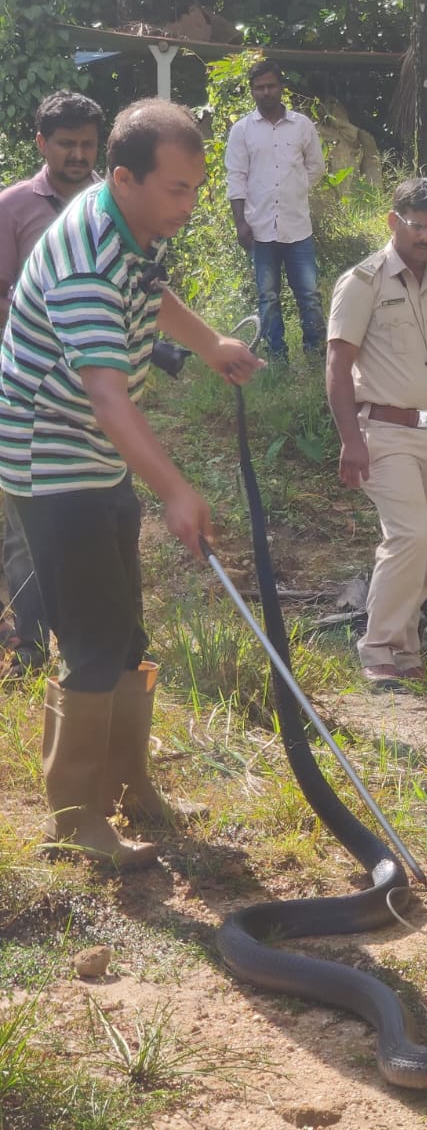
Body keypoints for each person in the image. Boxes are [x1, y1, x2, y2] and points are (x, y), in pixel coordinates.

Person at [0, 98, 263, 869]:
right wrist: (177, 491)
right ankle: (75, 818)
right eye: (177, 189)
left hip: (93, 452)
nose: (190, 204)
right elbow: (108, 398)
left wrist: (209, 343)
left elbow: (149, 292)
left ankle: (128, 785)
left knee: (126, 630)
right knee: (90, 637)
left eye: (196, 187)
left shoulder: (126, 224)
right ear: (125, 178)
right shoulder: (85, 256)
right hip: (49, 457)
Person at [325, 177, 427, 684]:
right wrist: (350, 439)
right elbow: (337, 363)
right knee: (409, 535)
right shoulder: (364, 282)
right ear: (393, 221)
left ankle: (405, 647)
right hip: (384, 432)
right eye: (418, 225)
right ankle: (377, 646)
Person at [0, 90, 104, 673]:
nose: (78, 155)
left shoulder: (110, 205)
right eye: (67, 143)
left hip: (97, 395)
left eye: (88, 144)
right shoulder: (14, 207)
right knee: (26, 521)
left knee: (91, 513)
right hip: (26, 391)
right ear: (42, 143)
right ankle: (32, 645)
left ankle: (92, 643)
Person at [225, 58, 327, 361]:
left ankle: (316, 354)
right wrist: (240, 222)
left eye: (271, 86)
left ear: (282, 87)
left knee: (309, 295)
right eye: (259, 87)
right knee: (268, 297)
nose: (266, 92)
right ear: (252, 91)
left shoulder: (302, 126)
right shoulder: (242, 131)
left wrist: (294, 189)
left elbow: (316, 167)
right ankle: (276, 358)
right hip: (259, 229)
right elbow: (236, 177)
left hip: (298, 227)